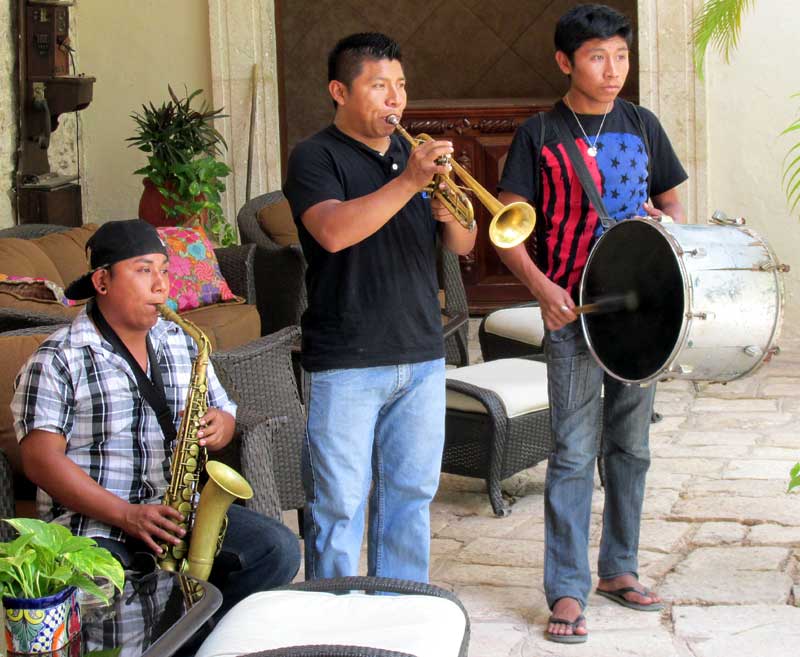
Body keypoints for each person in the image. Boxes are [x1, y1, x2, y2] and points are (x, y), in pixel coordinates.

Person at [496, 4, 688, 644]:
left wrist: (669, 230)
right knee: (574, 452)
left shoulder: (643, 124)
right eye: (598, 57)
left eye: (621, 56)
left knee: (631, 447)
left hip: (645, 316)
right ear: (565, 61)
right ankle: (568, 589)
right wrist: (542, 288)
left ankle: (620, 569)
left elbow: (670, 203)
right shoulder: (539, 135)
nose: (613, 70)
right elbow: (509, 231)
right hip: (572, 312)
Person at [12, 219, 300, 623]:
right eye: (144, 270)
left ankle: (200, 638)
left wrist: (221, 425)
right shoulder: (58, 358)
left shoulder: (182, 340)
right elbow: (40, 461)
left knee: (277, 550)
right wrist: (126, 514)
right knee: (100, 596)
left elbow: (226, 411)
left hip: (175, 516)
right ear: (102, 281)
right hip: (93, 526)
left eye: (164, 270)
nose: (161, 286)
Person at [283, 32, 476, 582]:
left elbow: (462, 247)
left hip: (419, 351)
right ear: (339, 91)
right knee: (340, 505)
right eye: (378, 87)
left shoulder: (410, 156)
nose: (394, 99)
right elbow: (334, 232)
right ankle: (336, 627)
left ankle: (401, 614)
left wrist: (451, 211)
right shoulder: (315, 156)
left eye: (400, 87)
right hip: (346, 358)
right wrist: (411, 181)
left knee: (410, 498)